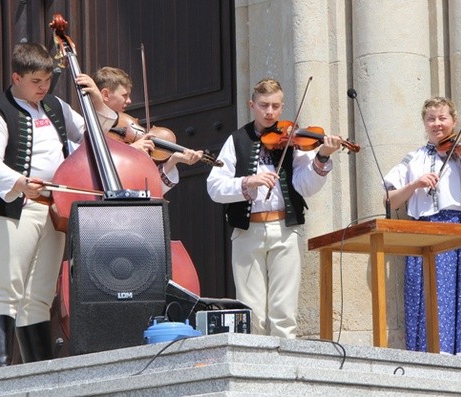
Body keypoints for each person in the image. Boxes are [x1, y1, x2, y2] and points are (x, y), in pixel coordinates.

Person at [0, 43, 117, 367]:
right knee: (4, 287)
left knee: (39, 294)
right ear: (16, 77)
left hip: (53, 208)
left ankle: (37, 373)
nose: (44, 87)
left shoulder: (56, 106)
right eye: (36, 81)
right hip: (13, 207)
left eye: (47, 80)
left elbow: (94, 138)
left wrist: (96, 100)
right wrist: (19, 182)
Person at [206, 78, 341, 337]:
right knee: (251, 309)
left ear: (282, 107)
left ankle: (285, 368)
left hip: (284, 229)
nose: (270, 112)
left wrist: (322, 156)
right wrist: (247, 182)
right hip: (247, 231)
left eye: (276, 106)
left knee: (284, 309)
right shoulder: (236, 140)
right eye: (264, 105)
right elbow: (214, 187)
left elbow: (305, 186)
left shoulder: (293, 141)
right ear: (252, 105)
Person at [383, 96, 461, 355]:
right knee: (427, 297)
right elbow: (389, 200)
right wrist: (414, 185)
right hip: (423, 232)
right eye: (431, 119)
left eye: (443, 118)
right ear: (424, 123)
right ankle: (430, 355)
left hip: (460, 228)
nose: (437, 124)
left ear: (454, 121)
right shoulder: (413, 158)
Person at [94, 66, 203, 193]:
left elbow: (153, 188)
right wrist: (130, 150)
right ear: (105, 94)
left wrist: (173, 160)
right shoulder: (86, 130)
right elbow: (97, 169)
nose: (129, 101)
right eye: (125, 95)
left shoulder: (125, 129)